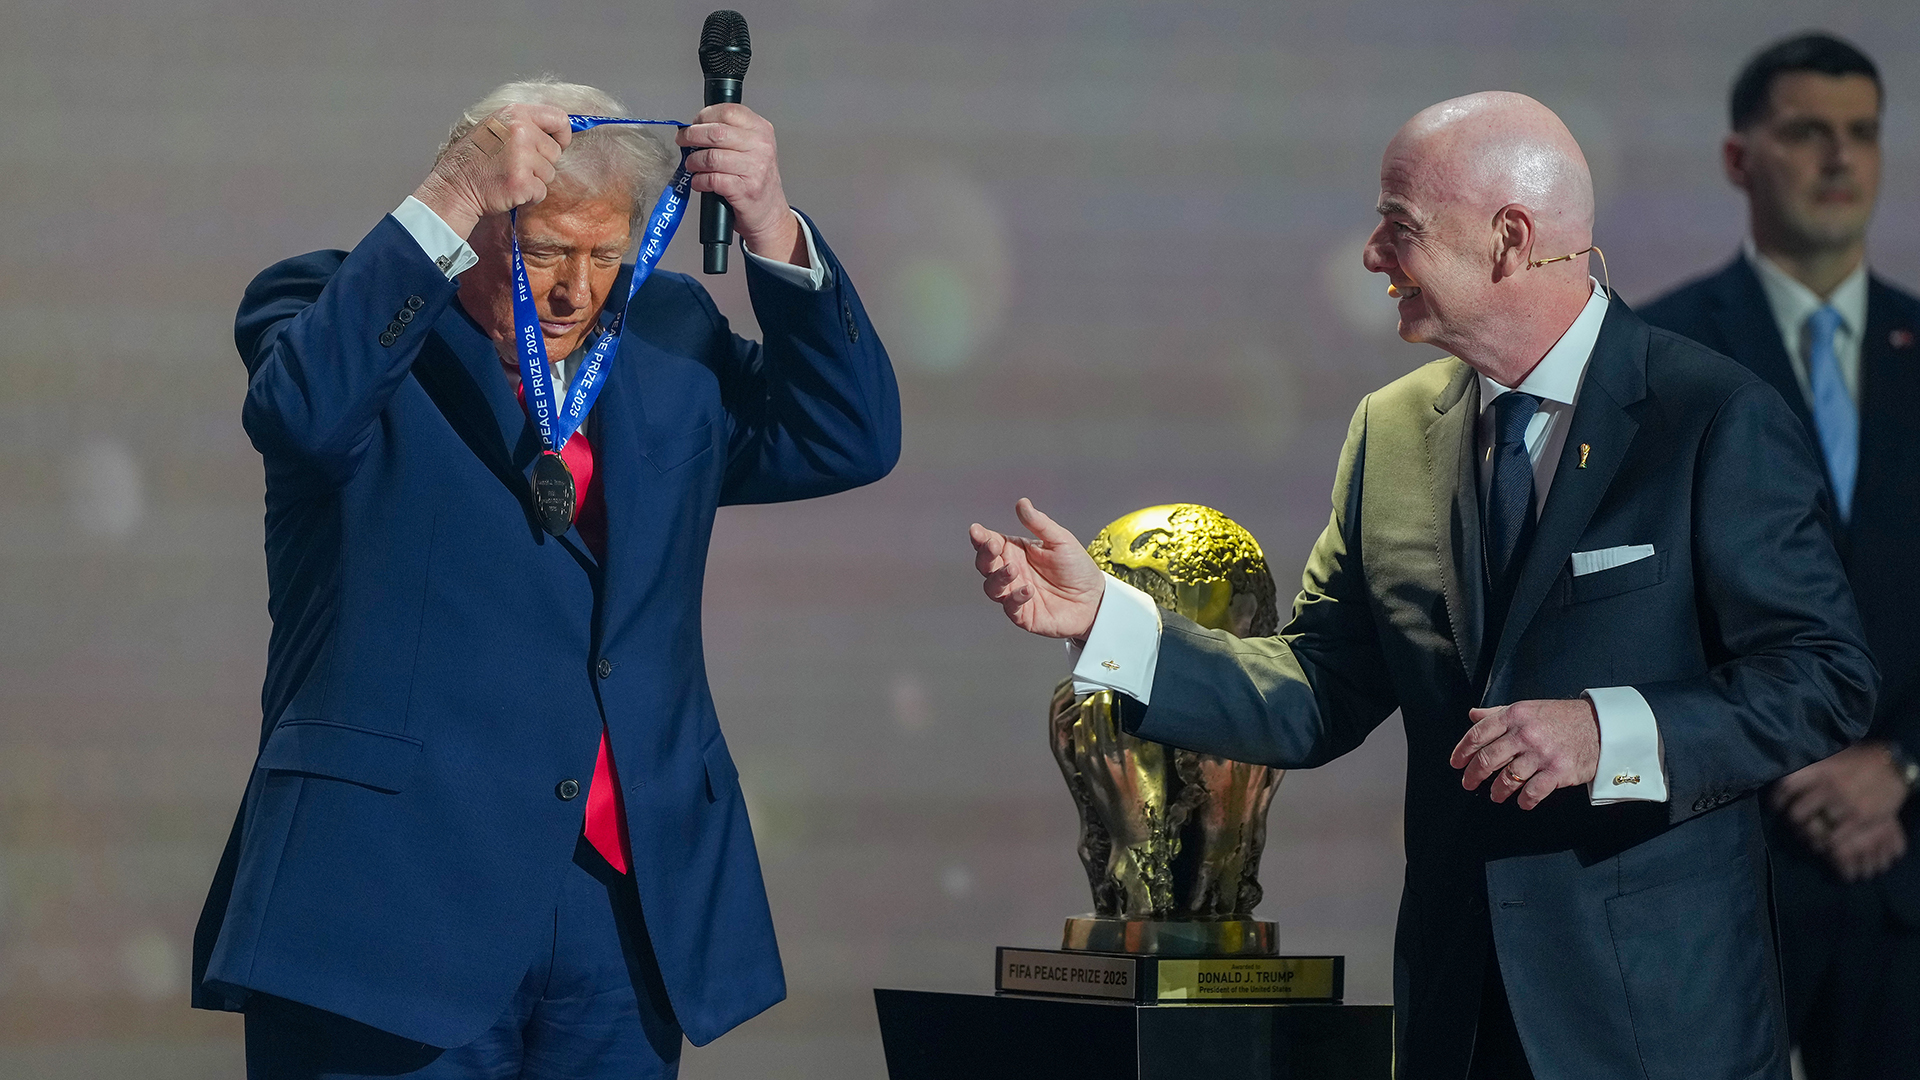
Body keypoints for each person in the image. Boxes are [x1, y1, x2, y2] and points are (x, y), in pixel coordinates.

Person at [969, 91, 1876, 1080]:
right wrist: (1109, 624)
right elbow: (1319, 689)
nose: (1370, 255)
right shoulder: (1389, 433)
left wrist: (1606, 731)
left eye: (1398, 226)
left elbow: (1824, 677)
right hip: (1457, 1018)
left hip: (1655, 1029)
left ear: (1509, 240)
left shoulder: (1709, 417)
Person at [190, 76, 900, 1079]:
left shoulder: (668, 337)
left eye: (604, 254)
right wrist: (451, 188)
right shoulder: (330, 306)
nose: (574, 288)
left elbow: (849, 436)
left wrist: (774, 225)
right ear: (481, 220)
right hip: (391, 903)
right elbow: (303, 413)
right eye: (542, 253)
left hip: (619, 904)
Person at [1639, 33, 1920, 1079]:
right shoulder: (1659, 355)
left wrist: (1899, 764)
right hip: (1724, 867)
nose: (1840, 160)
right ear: (1738, 158)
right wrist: (1790, 748)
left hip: (1905, 875)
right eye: (1807, 132)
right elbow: (1638, 600)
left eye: (1862, 134)